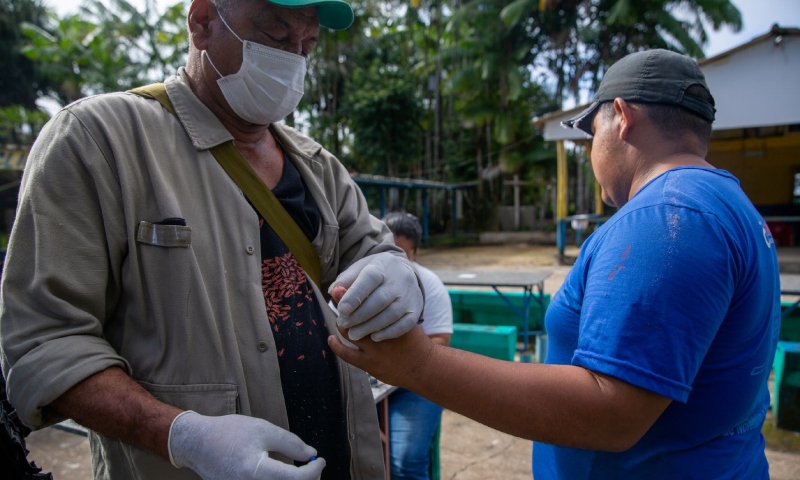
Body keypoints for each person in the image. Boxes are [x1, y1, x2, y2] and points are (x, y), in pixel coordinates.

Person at [0, 1, 425, 479]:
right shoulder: (99, 141)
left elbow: (375, 251)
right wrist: (181, 436)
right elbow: (45, 343)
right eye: (276, 37)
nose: (293, 61)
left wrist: (398, 273)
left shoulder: (318, 165)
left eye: (307, 45)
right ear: (202, 22)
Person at [330, 49, 781, 479]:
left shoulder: (667, 218)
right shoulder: (728, 204)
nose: (590, 151)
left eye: (591, 134)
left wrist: (420, 365)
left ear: (622, 117)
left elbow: (611, 413)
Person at [382, 212, 452, 480]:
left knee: (405, 461)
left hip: (416, 385)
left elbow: (441, 341)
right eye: (386, 251)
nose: (393, 260)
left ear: (415, 253)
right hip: (372, 384)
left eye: (401, 254)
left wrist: (397, 359)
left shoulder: (429, 284)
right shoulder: (363, 281)